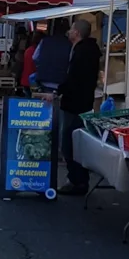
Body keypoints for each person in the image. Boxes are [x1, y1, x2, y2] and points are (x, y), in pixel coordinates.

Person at [54, 16, 102, 196]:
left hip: (73, 103)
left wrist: (59, 90)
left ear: (77, 33)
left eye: (72, 29)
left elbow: (74, 77)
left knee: (69, 142)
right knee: (76, 141)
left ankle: (76, 180)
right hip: (83, 101)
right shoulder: (90, 50)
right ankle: (79, 179)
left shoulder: (81, 51)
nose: (69, 32)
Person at [32, 18, 72, 91]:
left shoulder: (44, 41)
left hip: (43, 80)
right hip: (61, 81)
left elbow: (35, 57)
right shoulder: (69, 44)